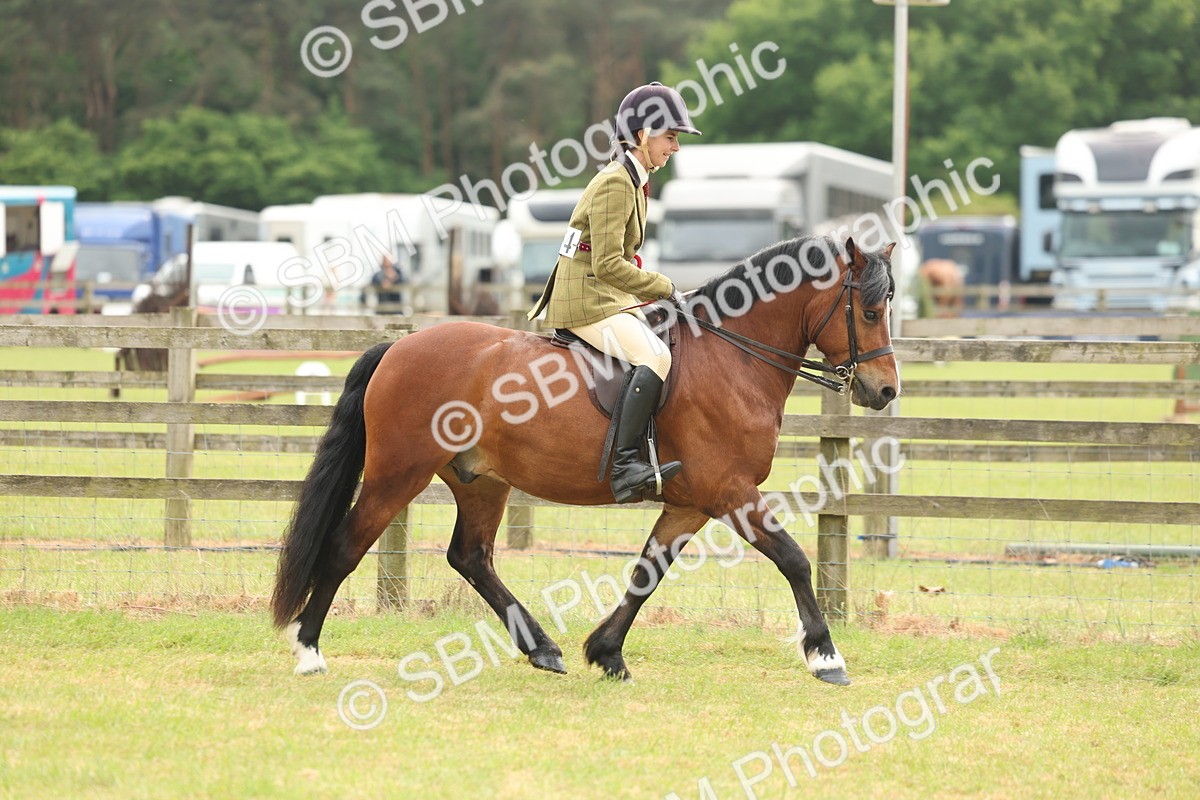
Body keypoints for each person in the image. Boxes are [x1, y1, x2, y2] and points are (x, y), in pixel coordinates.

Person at [527, 82, 701, 503]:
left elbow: (619, 258)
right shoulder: (617, 183)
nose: (675, 147)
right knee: (655, 355)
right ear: (643, 134)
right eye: (671, 137)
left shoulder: (633, 179)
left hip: (604, 294)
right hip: (586, 300)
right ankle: (625, 466)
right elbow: (606, 264)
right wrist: (665, 286)